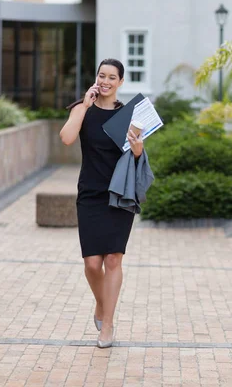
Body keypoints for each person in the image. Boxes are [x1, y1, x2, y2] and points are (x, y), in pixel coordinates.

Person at [60, 59, 144, 348]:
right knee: (92, 263)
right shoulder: (83, 110)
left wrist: (138, 149)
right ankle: (101, 303)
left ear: (121, 82)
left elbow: (138, 159)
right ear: (96, 78)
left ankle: (107, 325)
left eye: (112, 77)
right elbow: (67, 138)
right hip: (91, 195)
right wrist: (84, 105)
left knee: (113, 259)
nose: (106, 81)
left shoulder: (129, 115)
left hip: (120, 195)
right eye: (102, 75)